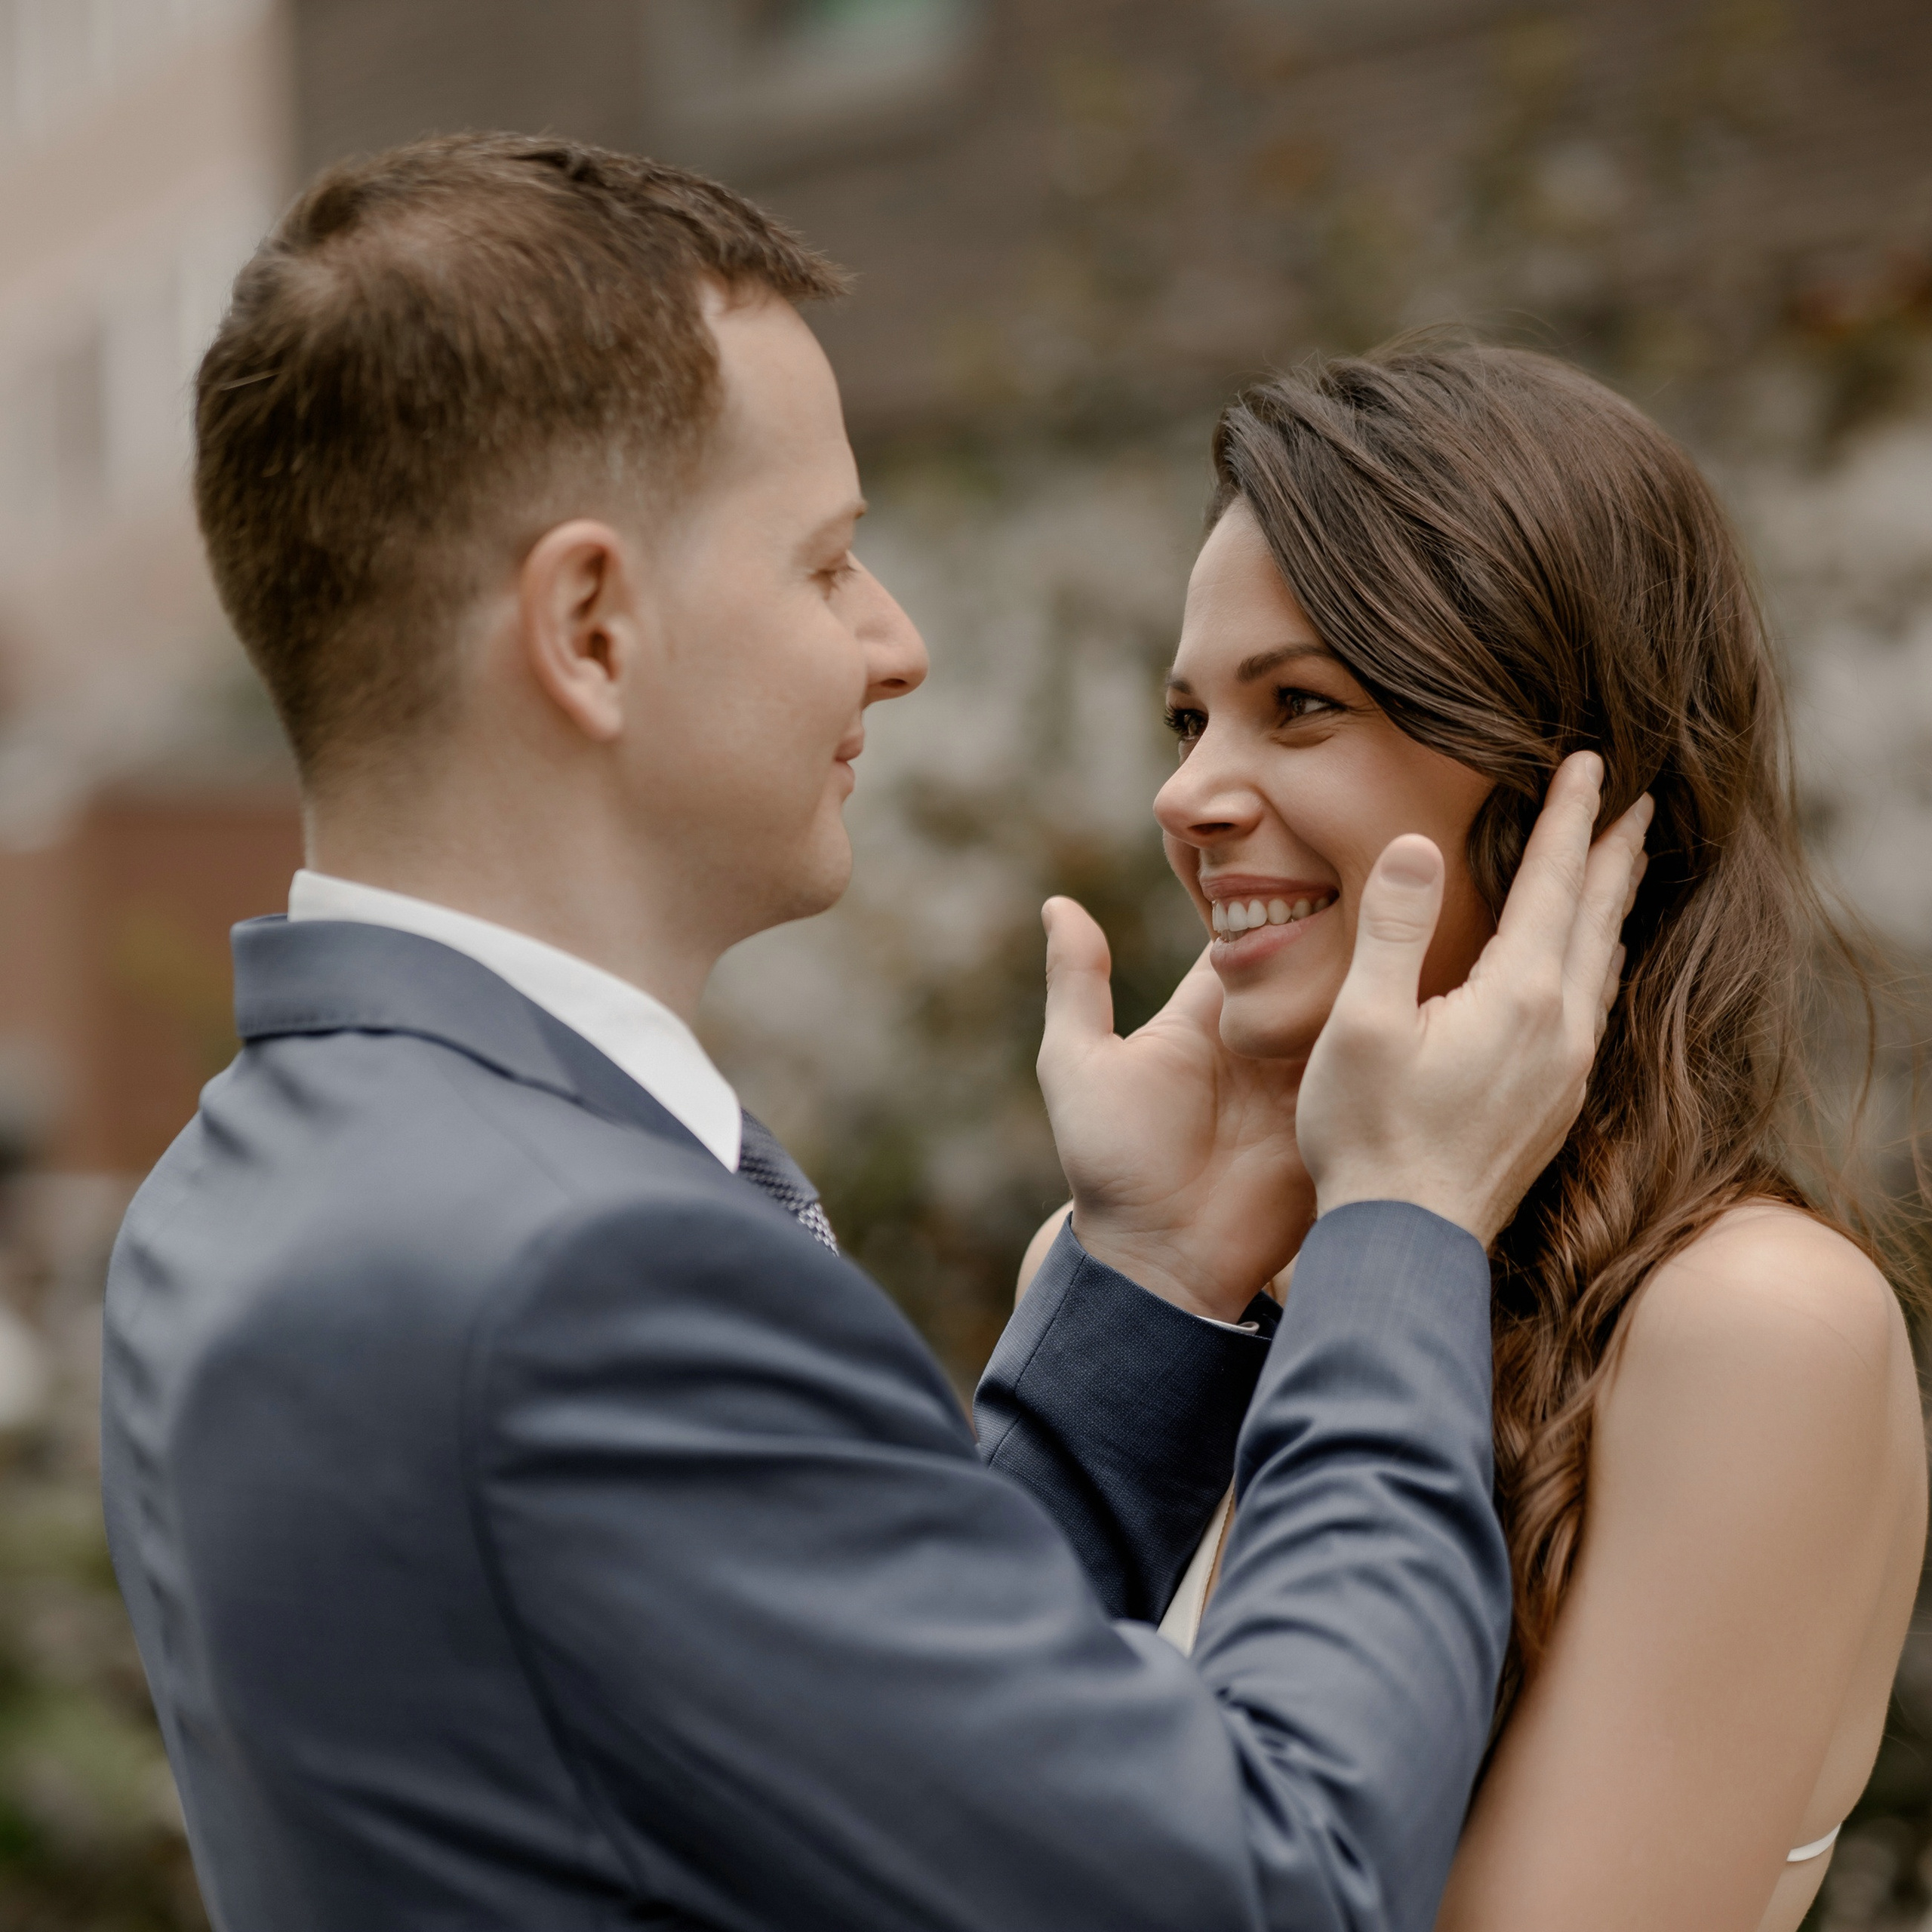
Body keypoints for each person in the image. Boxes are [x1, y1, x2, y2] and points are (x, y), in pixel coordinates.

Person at [99, 136, 1645, 1932]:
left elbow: (834, 1758)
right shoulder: (580, 1268)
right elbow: (1263, 1880)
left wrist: (1139, 1287)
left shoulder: (236, 1188)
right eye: (826, 562)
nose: (894, 644)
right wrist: (1400, 1223)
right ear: (590, 626)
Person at [1044, 342, 1921, 1932]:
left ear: (1555, 772)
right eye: (1184, 720)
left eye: (1295, 706)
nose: (1187, 794)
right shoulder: (1132, 1264)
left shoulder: (1743, 1329)